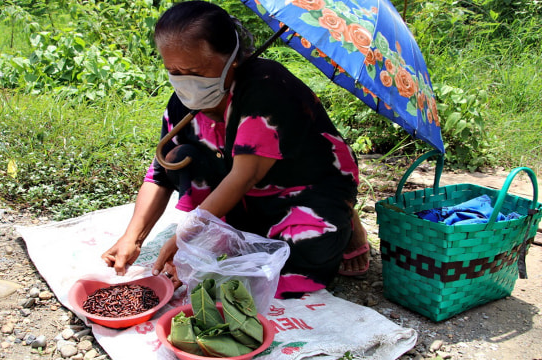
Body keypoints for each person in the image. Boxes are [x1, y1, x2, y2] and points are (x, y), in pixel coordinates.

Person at [101, 1, 369, 297]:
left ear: (232, 60)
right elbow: (160, 175)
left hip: (302, 185)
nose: (184, 81)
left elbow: (244, 176)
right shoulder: (183, 105)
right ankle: (241, 231)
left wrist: (185, 236)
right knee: (180, 158)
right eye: (173, 71)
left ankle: (345, 218)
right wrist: (132, 238)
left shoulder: (267, 87)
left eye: (195, 71)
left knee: (302, 255)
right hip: (245, 195)